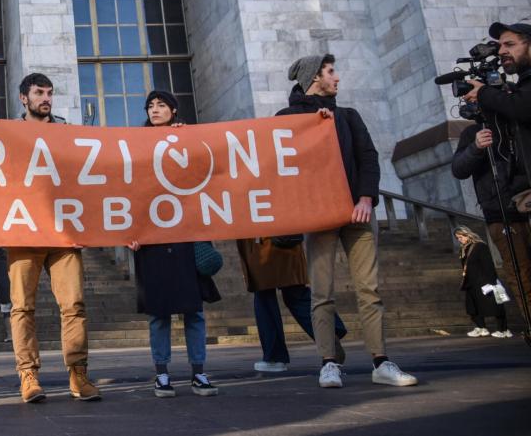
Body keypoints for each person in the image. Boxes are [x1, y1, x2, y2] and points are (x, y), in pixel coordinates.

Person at [279, 54, 417, 389]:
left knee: (369, 289)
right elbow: (282, 161)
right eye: (330, 72)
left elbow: (367, 156)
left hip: (357, 213)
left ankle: (381, 361)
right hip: (321, 215)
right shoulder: (286, 119)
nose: (337, 78)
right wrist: (313, 126)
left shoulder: (348, 116)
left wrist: (366, 198)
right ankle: (328, 362)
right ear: (314, 77)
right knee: (321, 292)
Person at [6, 72, 100, 404]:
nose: (46, 98)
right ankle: (28, 375)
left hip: (63, 232)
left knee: (73, 305)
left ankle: (78, 373)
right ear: (24, 98)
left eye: (49, 93)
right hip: (22, 230)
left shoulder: (67, 135)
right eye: (38, 93)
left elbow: (83, 181)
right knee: (22, 307)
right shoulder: (7, 136)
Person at [130, 90, 218, 398]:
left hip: (185, 237)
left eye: (161, 105)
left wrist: (188, 137)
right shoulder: (137, 145)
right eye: (150, 106)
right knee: (159, 312)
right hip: (152, 241)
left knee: (194, 311)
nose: (154, 110)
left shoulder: (187, 138)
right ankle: (162, 374)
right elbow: (130, 189)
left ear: (174, 110)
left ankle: (199, 372)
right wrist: (131, 231)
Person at [459, 20, 531, 324]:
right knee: (521, 277)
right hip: (503, 206)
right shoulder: (480, 128)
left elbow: (525, 108)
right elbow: (459, 169)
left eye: (510, 44)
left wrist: (488, 94)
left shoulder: (520, 95)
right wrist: (476, 146)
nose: (502, 51)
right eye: (500, 46)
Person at [236, 236, 346, 372]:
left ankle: (275, 357)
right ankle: (329, 333)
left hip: (260, 241)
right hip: (286, 237)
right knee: (296, 294)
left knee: (264, 296)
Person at [453, 226, 512, 338]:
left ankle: (504, 330)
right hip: (470, 282)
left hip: (484, 281)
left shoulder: (480, 246)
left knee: (495, 305)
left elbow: (488, 265)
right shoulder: (463, 249)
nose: (459, 239)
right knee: (472, 307)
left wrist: (492, 281)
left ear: (467, 234)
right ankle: (481, 328)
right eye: (457, 238)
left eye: (461, 237)